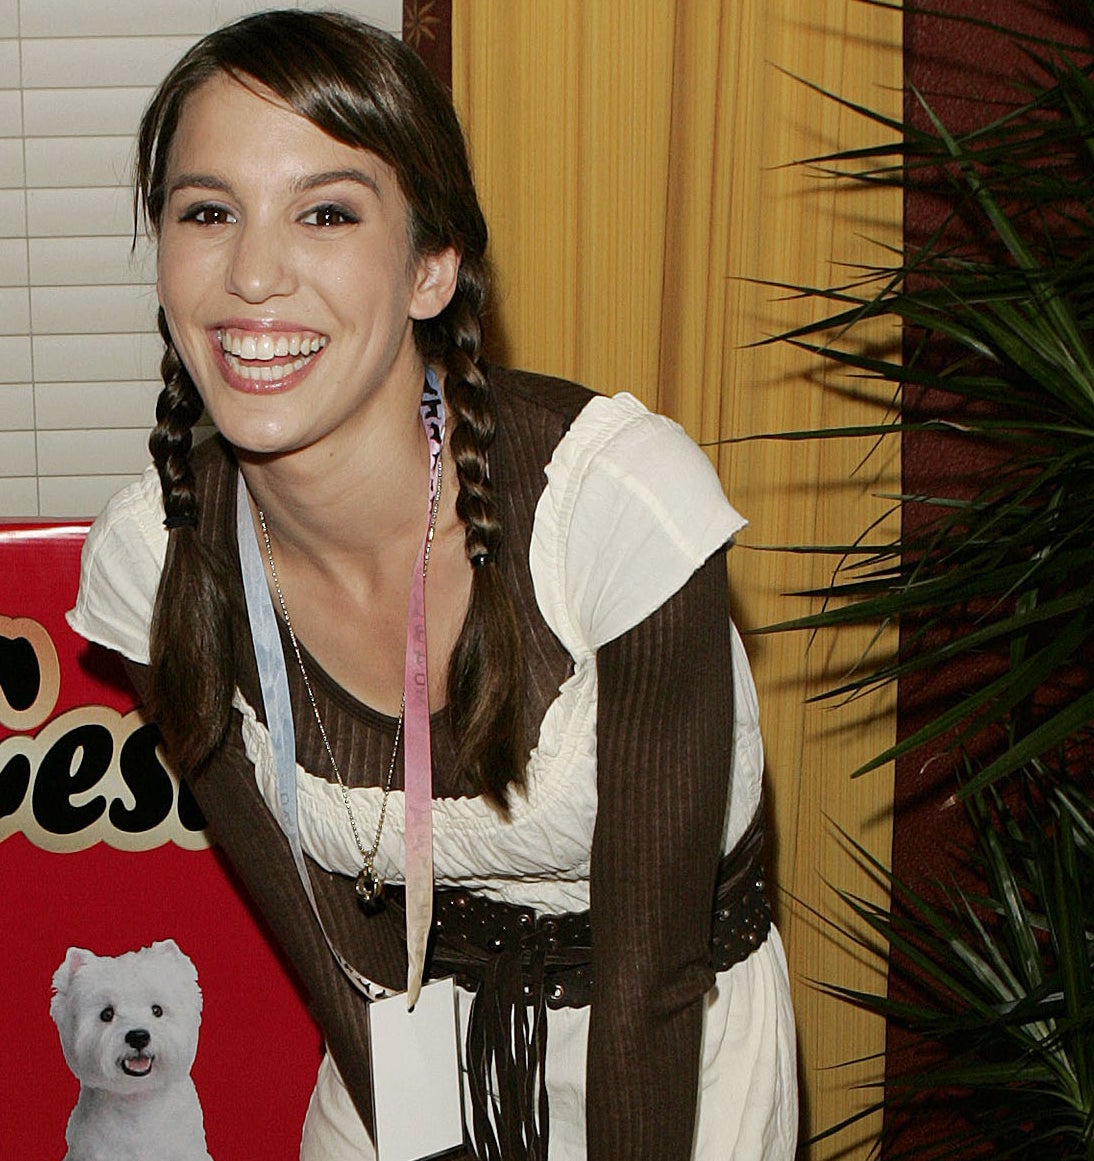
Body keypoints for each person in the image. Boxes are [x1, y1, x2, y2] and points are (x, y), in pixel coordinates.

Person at [68, 9, 796, 1159]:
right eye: (206, 212)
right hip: (399, 1034)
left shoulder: (615, 513)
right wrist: (419, 1136)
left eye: (325, 212)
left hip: (672, 1043)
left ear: (430, 267)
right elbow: (317, 937)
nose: (252, 271)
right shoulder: (153, 562)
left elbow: (651, 983)